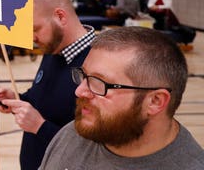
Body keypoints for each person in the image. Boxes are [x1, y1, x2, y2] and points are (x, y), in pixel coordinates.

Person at [40, 27, 204, 169]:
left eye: (100, 82)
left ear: (155, 101)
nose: (79, 91)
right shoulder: (74, 133)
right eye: (84, 76)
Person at [0, 0, 95, 170]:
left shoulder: (100, 62)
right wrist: (18, 99)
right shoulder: (53, 47)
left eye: (35, 28)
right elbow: (43, 99)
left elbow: (93, 149)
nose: (32, 37)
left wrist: (40, 127)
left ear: (60, 16)